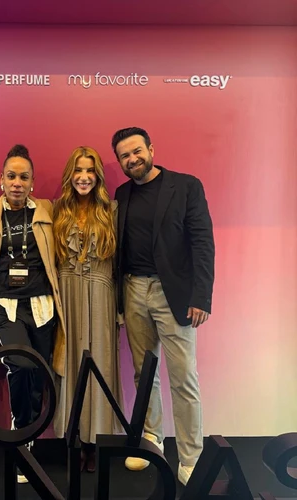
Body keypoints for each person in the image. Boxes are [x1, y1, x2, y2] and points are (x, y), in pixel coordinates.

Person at [112, 127, 215, 486]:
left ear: (151, 149)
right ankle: (152, 439)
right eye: (124, 156)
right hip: (133, 290)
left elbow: (203, 242)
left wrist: (201, 297)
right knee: (144, 374)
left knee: (183, 377)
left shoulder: (186, 186)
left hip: (174, 295)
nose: (132, 159)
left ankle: (191, 457)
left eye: (136, 151)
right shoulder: (122, 194)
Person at [0, 144, 66, 483]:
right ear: (1, 179)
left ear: (32, 182)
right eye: (11, 176)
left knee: (39, 371)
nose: (17, 182)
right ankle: (20, 431)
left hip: (41, 305)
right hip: (4, 306)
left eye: (23, 177)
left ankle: (30, 436)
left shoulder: (46, 211)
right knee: (21, 364)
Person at [53, 146, 122, 473]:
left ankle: (95, 442)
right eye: (78, 170)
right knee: (69, 364)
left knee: (100, 364)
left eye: (90, 170)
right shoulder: (56, 210)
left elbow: (121, 261)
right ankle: (73, 439)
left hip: (100, 292)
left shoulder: (112, 210)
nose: (83, 177)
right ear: (70, 175)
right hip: (66, 293)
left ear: (98, 176)